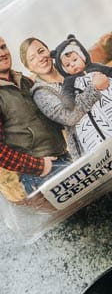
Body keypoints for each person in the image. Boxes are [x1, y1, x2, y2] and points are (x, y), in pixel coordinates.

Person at [0, 35, 71, 195]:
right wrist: (39, 167)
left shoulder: (25, 81)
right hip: (40, 174)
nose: (2, 53)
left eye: (3, 47)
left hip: (63, 157)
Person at [52, 35, 112, 154]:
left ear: (82, 57)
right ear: (64, 69)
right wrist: (69, 103)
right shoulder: (69, 81)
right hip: (96, 111)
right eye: (68, 65)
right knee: (108, 130)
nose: (73, 65)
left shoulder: (96, 67)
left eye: (74, 60)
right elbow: (66, 95)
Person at [20, 37, 107, 160]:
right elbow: (69, 117)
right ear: (29, 67)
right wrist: (94, 89)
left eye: (41, 51)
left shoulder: (70, 65)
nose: (40, 58)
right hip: (90, 147)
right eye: (32, 58)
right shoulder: (40, 93)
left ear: (48, 51)